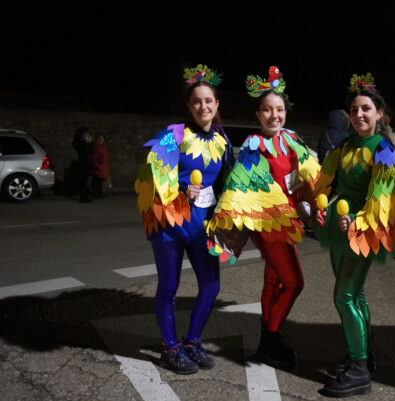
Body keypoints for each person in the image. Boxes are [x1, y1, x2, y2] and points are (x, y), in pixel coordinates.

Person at [314, 74, 395, 398]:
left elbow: (383, 196)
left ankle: (360, 369)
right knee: (356, 296)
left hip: (364, 231)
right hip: (339, 228)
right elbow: (327, 184)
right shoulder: (344, 146)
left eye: (365, 108)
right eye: (354, 109)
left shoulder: (384, 150)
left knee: (343, 297)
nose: (359, 114)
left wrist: (361, 224)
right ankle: (359, 351)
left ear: (379, 114)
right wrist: (320, 208)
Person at [208, 67, 321, 370]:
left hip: (289, 222)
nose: (275, 115)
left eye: (280, 109)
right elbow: (237, 190)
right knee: (293, 282)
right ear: (258, 114)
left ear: (286, 111)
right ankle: (271, 339)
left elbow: (305, 178)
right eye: (268, 110)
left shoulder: (292, 139)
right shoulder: (253, 146)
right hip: (268, 224)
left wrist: (309, 204)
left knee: (274, 281)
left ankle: (267, 340)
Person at [134, 65, 233, 374]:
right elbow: (148, 174)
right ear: (189, 107)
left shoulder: (223, 141)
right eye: (197, 101)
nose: (203, 106)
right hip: (169, 223)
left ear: (216, 105)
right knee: (168, 287)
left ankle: (191, 341)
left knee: (211, 286)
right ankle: (170, 347)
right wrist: (178, 187)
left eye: (209, 101)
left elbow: (226, 185)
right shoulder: (172, 134)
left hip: (202, 225)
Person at [72, 127, 93, 202]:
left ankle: (85, 195)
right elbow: (88, 150)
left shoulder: (82, 144)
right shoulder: (82, 144)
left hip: (86, 162)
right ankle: (83, 197)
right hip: (84, 162)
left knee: (86, 179)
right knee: (84, 179)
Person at [91, 134, 110, 198]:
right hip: (98, 166)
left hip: (103, 166)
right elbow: (93, 157)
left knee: (100, 181)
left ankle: (100, 193)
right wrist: (97, 164)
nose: (101, 141)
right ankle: (96, 194)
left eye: (102, 139)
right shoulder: (95, 148)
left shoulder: (103, 148)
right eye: (99, 139)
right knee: (96, 180)